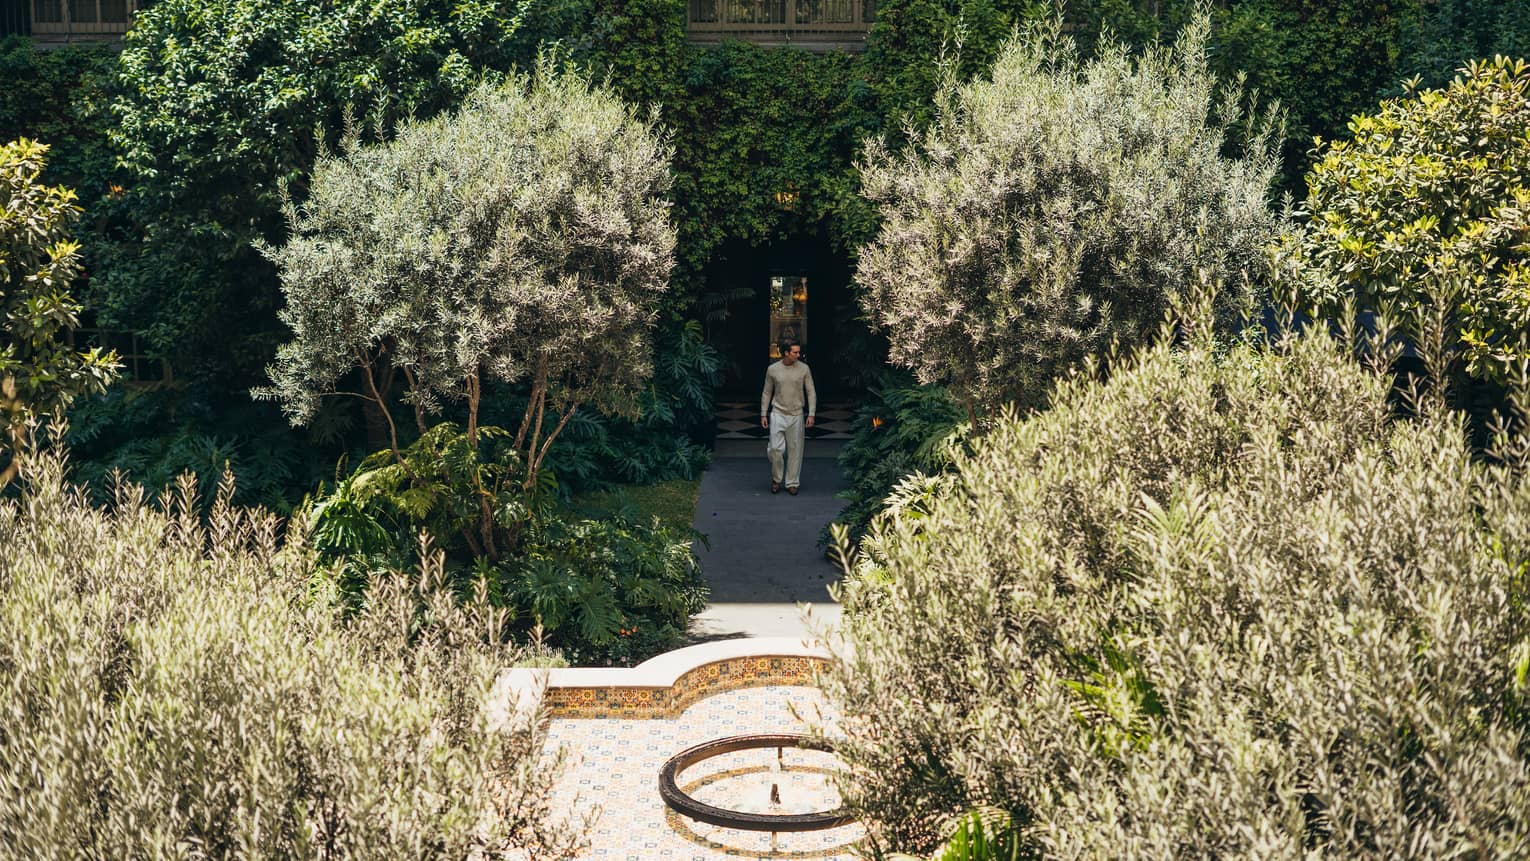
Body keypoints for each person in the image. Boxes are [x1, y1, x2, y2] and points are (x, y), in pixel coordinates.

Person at [760, 339, 816, 495]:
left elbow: (811, 391)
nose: (798, 355)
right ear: (786, 353)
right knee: (775, 449)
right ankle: (776, 478)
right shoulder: (773, 370)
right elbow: (766, 392)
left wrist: (811, 413)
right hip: (777, 413)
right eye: (795, 352)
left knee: (795, 450)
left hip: (796, 414)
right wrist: (763, 413)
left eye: (799, 352)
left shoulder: (804, 369)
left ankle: (792, 482)